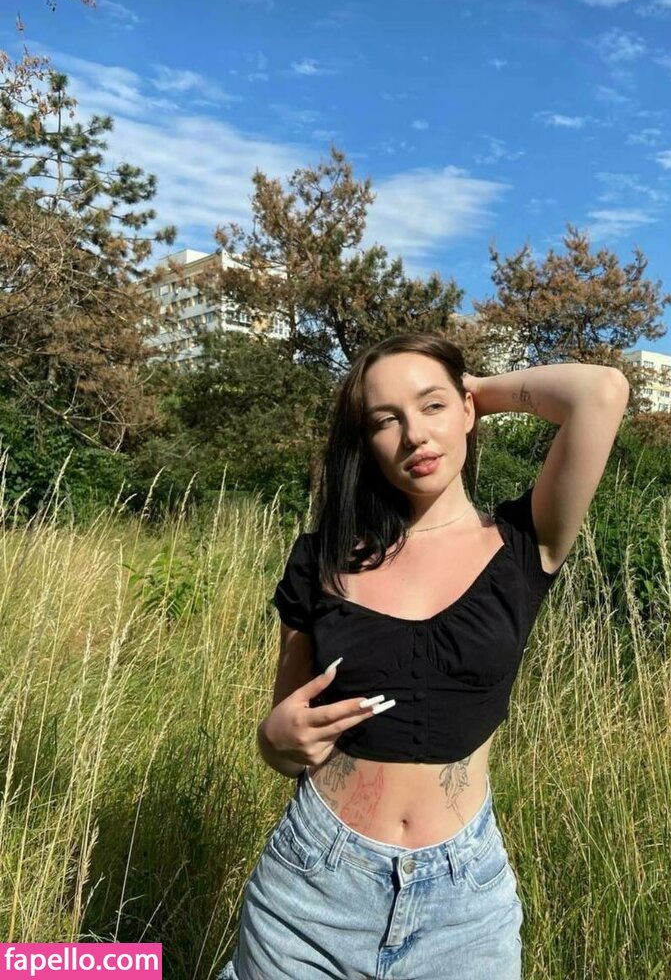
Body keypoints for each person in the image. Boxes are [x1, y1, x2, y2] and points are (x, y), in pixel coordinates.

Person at [217, 332, 629, 980]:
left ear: (466, 410)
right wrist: (273, 738)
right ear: (365, 442)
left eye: (432, 406)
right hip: (312, 887)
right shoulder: (321, 560)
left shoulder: (527, 542)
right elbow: (285, 742)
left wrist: (476, 391)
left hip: (463, 905)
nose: (413, 435)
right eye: (386, 420)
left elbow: (601, 392)